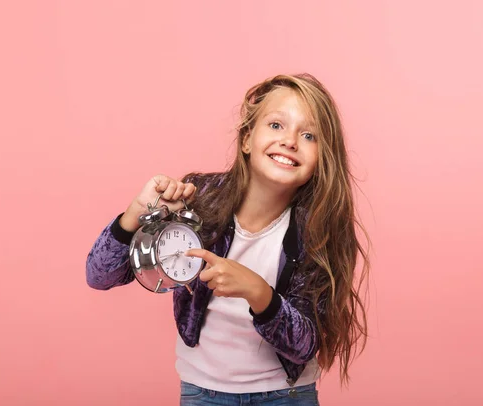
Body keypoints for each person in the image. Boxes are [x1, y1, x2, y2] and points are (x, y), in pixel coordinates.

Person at [86, 73, 369, 405]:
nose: (289, 141)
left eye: (308, 135)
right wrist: (136, 215)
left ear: (322, 157)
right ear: (247, 140)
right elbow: (100, 275)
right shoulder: (200, 200)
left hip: (287, 396)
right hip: (202, 393)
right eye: (276, 125)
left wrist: (258, 291)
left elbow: (305, 344)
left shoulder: (319, 229)